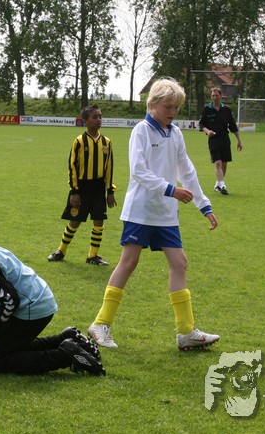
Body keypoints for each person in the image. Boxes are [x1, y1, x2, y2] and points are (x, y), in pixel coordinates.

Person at [87, 78, 220, 352]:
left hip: (166, 213)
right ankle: (100, 324)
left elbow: (187, 170)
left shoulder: (176, 133)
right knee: (129, 262)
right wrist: (171, 190)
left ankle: (186, 332)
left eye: (177, 107)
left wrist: (204, 205)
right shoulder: (142, 131)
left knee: (179, 263)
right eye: (168, 106)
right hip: (141, 209)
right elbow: (138, 171)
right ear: (153, 104)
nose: (173, 112)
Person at [0, 205, 104, 376]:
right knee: (8, 346)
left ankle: (67, 354)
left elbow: (10, 300)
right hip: (37, 298)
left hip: (32, 306)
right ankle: (67, 338)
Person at [47, 105, 117, 265]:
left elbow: (109, 168)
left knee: (99, 221)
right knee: (75, 220)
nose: (99, 120)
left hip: (98, 187)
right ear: (85, 121)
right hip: (82, 188)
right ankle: (60, 251)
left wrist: (110, 192)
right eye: (95, 117)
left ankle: (92, 256)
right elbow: (72, 166)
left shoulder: (106, 142)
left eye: (100, 116)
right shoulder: (79, 141)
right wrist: (74, 191)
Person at [198, 87, 243, 195]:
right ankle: (222, 185)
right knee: (217, 162)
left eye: (216, 95)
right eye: (212, 96)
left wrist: (239, 141)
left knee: (224, 163)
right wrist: (207, 131)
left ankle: (218, 183)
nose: (214, 97)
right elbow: (201, 124)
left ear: (221, 96)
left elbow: (233, 126)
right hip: (213, 139)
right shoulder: (207, 109)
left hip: (225, 139)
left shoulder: (226, 109)